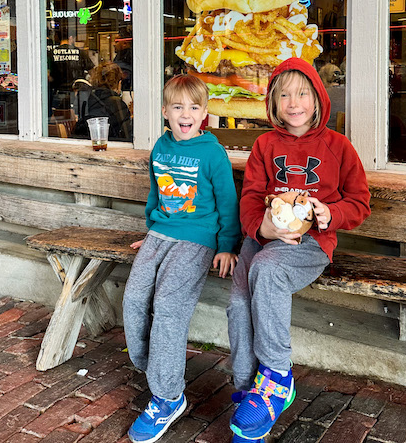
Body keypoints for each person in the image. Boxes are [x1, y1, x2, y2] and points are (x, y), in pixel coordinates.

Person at [227, 57, 370, 442]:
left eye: (303, 92)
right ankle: (248, 390)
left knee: (269, 270)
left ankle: (276, 378)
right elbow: (252, 198)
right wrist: (263, 226)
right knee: (239, 302)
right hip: (264, 236)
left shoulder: (338, 146)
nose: (294, 102)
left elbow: (359, 202)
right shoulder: (264, 144)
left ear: (318, 97)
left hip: (312, 243)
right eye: (284, 94)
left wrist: (331, 213)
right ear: (273, 102)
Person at [123, 75, 241, 443]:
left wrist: (226, 246)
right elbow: (156, 194)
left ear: (205, 114)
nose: (185, 114)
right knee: (133, 297)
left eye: (194, 108)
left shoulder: (213, 153)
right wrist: (150, 234)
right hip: (160, 235)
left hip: (198, 240)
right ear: (165, 112)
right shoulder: (160, 147)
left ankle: (167, 396)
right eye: (177, 107)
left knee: (168, 306)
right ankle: (155, 366)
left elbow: (228, 203)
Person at [72, 62, 132, 141]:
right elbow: (127, 136)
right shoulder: (117, 104)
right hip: (111, 147)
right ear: (119, 83)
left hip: (83, 144)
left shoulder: (87, 100)